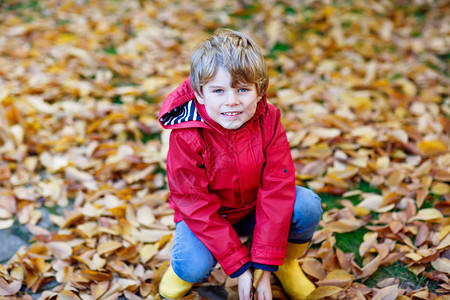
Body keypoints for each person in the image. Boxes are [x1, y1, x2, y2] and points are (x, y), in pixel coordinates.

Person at [157, 29, 322, 300]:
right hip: (207, 217)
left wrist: (264, 267)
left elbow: (277, 188)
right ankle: (181, 271)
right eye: (218, 90)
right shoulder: (186, 136)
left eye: (243, 89)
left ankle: (286, 264)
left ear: (260, 92)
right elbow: (194, 203)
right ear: (200, 94)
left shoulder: (269, 120)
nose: (231, 101)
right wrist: (240, 268)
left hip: (254, 209)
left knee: (306, 205)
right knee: (193, 266)